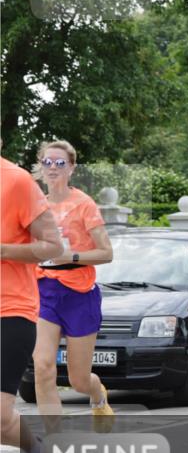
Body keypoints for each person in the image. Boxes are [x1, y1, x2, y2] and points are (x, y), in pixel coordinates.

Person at [30, 141, 115, 429]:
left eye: (60, 163)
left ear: (72, 168)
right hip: (45, 291)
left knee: (79, 380)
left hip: (80, 293)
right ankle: (54, 440)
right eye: (48, 162)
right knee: (42, 366)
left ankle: (97, 394)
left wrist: (71, 256)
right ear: (41, 166)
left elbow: (106, 253)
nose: (53, 168)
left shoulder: (84, 204)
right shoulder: (34, 204)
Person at [1, 152, 63, 453]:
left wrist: (4, 250)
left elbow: (52, 245)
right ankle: (39, 450)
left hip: (11, 309)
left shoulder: (17, 181)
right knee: (3, 420)